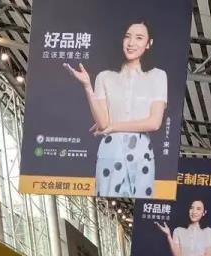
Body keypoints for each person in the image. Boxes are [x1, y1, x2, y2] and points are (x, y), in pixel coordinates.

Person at [64, 20, 168, 199]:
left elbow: (154, 122)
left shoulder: (157, 76)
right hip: (110, 151)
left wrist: (114, 126)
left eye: (139, 38)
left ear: (149, 43)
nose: (131, 43)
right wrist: (87, 86)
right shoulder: (105, 77)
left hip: (141, 152)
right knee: (105, 195)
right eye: (127, 37)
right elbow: (103, 122)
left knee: (142, 200)